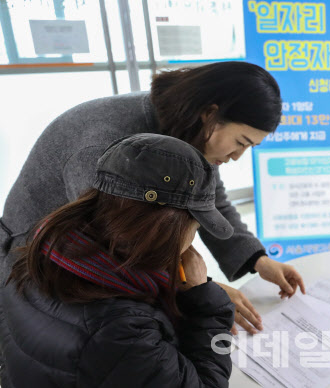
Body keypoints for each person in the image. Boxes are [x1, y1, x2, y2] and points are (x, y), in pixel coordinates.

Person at [0, 61, 305, 335]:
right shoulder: (106, 146)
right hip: (34, 262)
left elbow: (210, 203)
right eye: (241, 142)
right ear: (210, 114)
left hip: (92, 259)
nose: (238, 156)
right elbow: (116, 248)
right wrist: (201, 291)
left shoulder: (187, 130)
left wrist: (257, 259)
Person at [0, 134, 235, 387]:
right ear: (166, 227)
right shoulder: (123, 330)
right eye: (195, 227)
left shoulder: (37, 258)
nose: (192, 240)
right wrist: (207, 307)